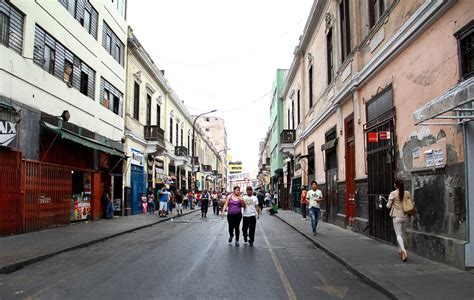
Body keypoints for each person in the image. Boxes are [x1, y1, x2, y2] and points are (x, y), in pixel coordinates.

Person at [386, 179, 411, 262]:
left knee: (398, 235)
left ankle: (403, 250)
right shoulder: (407, 193)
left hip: (397, 216)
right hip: (406, 216)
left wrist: (390, 203)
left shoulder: (393, 193)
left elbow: (388, 206)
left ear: (395, 185)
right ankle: (400, 251)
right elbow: (411, 202)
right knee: (403, 233)